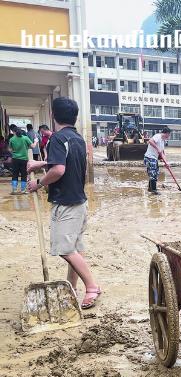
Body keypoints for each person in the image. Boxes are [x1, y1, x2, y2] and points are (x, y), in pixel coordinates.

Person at [26, 97, 101, 310]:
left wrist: (38, 183)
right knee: (75, 247)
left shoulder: (57, 139)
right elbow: (65, 163)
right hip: (80, 202)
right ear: (75, 117)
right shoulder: (78, 139)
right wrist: (40, 163)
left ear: (53, 116)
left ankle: (92, 287)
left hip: (66, 204)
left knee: (64, 249)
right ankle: (72, 287)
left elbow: (59, 170)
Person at [8, 127, 37, 194]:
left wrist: (14, 152)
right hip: (24, 159)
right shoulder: (25, 138)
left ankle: (14, 190)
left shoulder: (12, 139)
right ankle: (23, 190)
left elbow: (10, 149)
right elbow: (32, 146)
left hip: (15, 159)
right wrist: (35, 141)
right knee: (24, 174)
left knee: (15, 174)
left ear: (14, 132)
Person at [144, 127, 171, 195]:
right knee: (153, 173)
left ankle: (150, 188)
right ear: (166, 133)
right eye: (169, 134)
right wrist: (157, 148)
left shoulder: (162, 141)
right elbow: (150, 141)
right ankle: (154, 190)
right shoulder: (158, 136)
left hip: (154, 158)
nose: (169, 136)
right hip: (149, 157)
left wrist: (166, 163)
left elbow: (162, 153)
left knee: (156, 173)